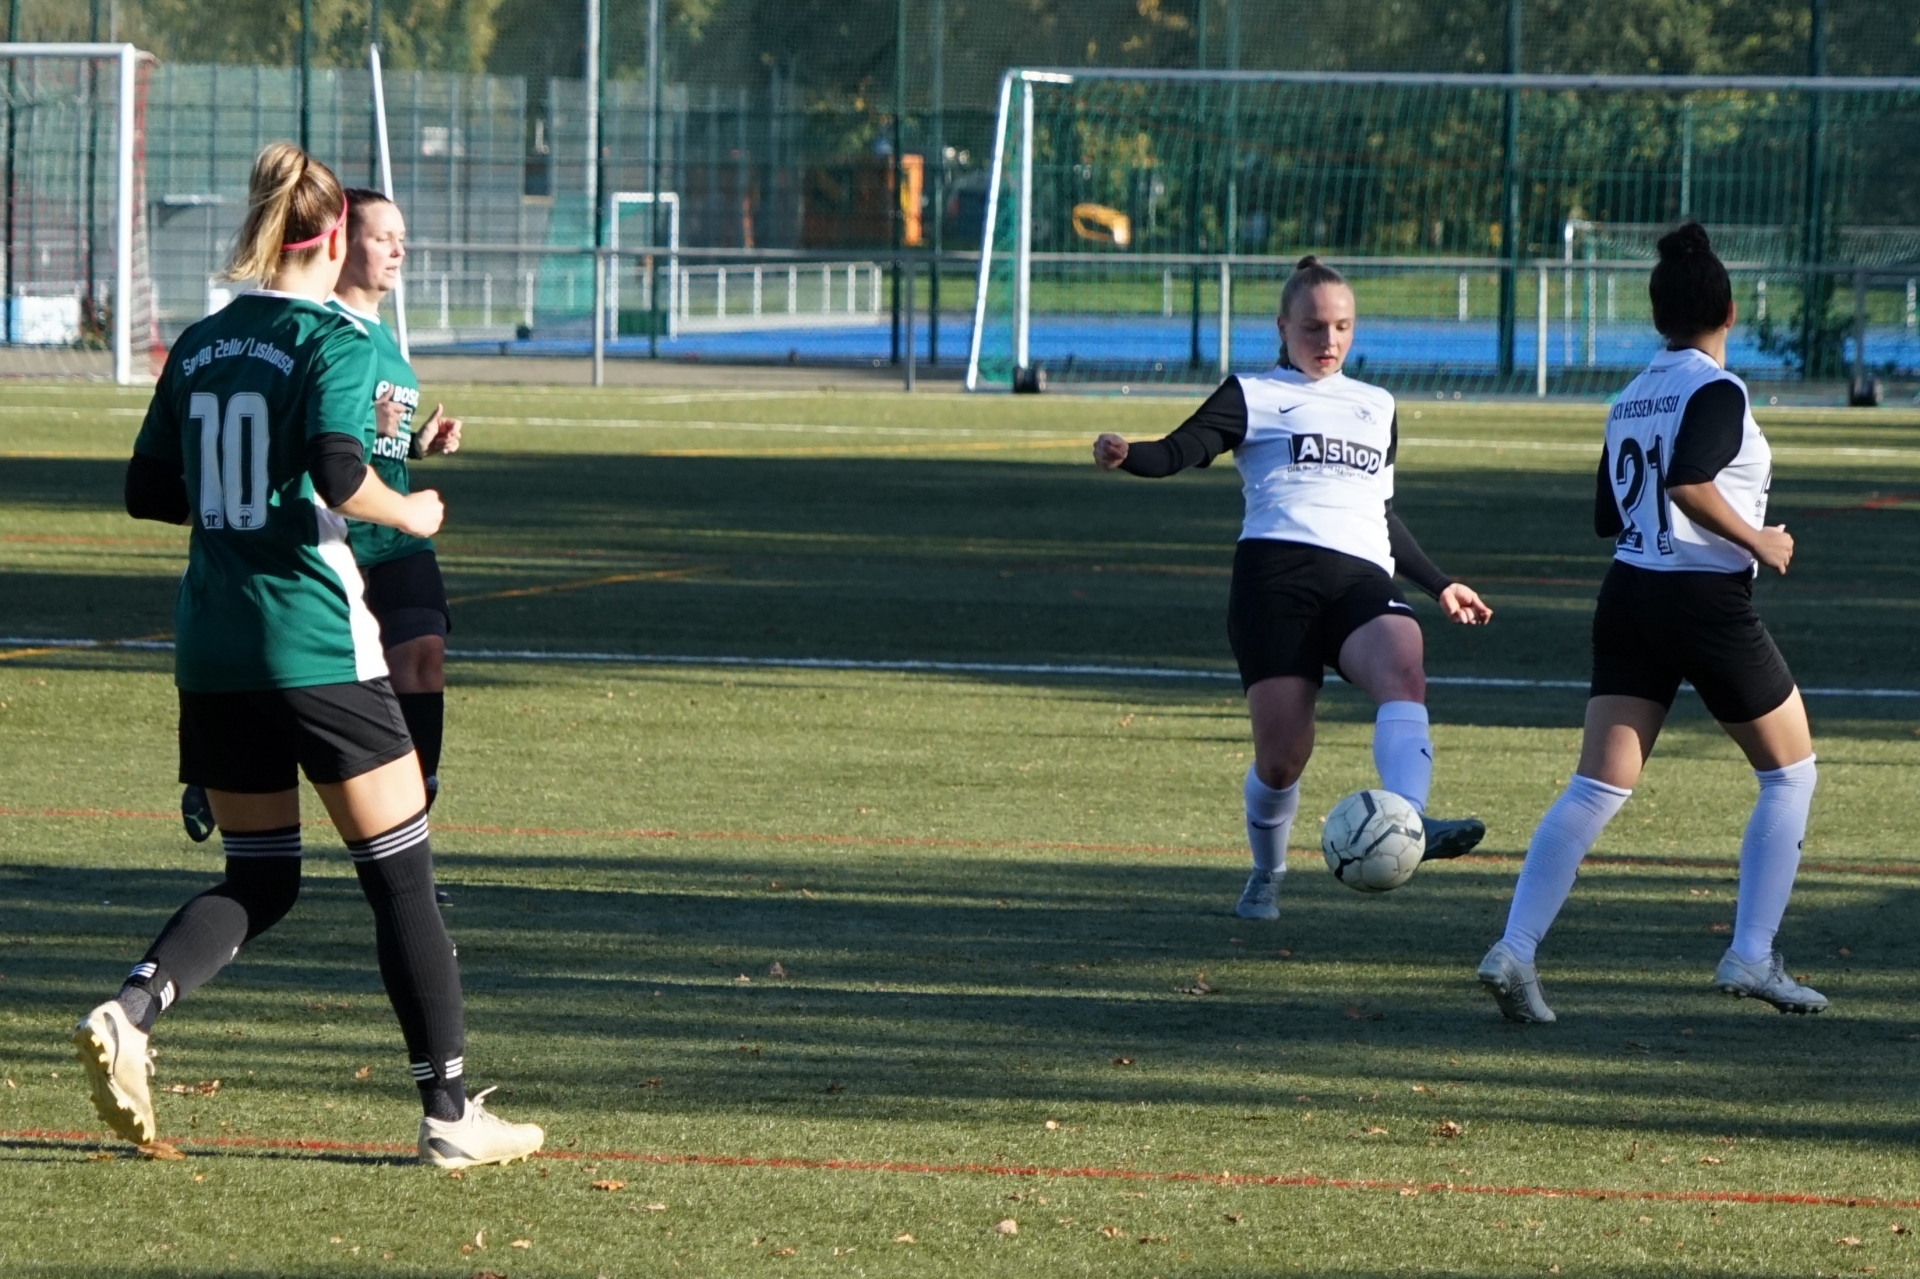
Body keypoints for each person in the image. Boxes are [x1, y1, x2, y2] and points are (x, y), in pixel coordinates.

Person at [72, 142, 543, 1168]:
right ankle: (449, 1113)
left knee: (263, 875)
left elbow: (147, 490)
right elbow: (339, 471)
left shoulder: (201, 341)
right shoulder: (333, 337)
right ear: (333, 240)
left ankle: (131, 1009)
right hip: (315, 640)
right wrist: (411, 511)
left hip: (213, 645)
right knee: (402, 875)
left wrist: (237, 496)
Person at [1476, 221, 1823, 1023]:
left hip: (1630, 592)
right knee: (1790, 772)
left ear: (1658, 315)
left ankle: (1516, 947)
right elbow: (1687, 482)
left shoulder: (1632, 394)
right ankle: (1751, 953)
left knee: (1596, 785)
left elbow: (1611, 513)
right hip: (1701, 599)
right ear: (1729, 311)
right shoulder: (1717, 388)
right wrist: (1758, 538)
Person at [1093, 255, 1493, 924]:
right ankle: (1266, 874)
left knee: (1404, 663)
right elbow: (1179, 450)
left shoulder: (1376, 405)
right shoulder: (1252, 394)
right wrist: (1128, 452)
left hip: (1360, 576)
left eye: (1342, 327)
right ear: (1283, 327)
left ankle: (1411, 819)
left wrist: (1440, 582)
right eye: (1313, 327)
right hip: (1274, 582)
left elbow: (1379, 511)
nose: (1328, 340)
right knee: (1281, 761)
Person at [180, 190, 460, 842]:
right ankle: (227, 770)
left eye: (402, 237)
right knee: (326, 689)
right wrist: (364, 425)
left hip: (394, 538)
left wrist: (414, 444)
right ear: (339, 242)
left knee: (424, 656)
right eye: (382, 236)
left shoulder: (381, 335)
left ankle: (414, 811)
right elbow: (312, 450)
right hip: (336, 541)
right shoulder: (318, 331)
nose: (399, 250)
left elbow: (363, 449)